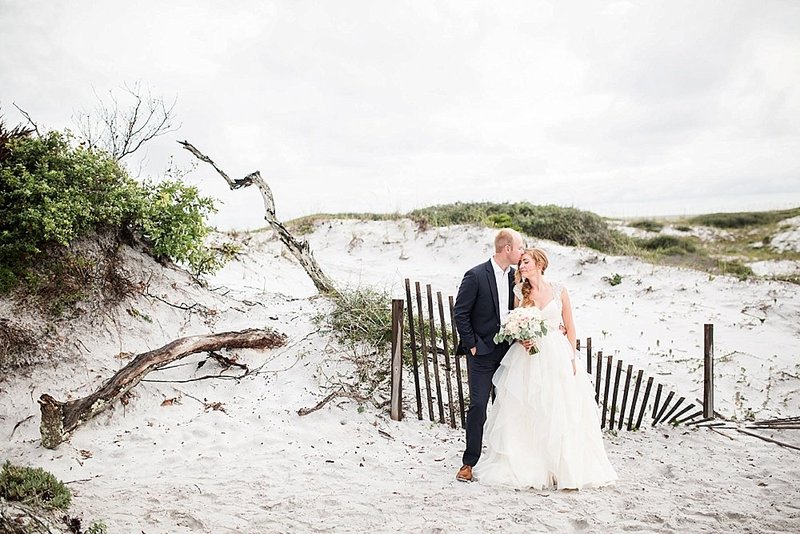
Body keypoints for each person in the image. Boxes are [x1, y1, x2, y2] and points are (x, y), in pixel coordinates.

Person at [472, 248, 618, 489]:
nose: (521, 268)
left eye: (526, 262)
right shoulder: (520, 291)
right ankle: (532, 465)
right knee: (526, 408)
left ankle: (561, 468)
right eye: (520, 264)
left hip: (557, 354)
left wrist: (572, 358)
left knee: (559, 408)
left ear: (539, 263)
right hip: (527, 356)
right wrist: (521, 339)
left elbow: (570, 328)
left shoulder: (559, 290)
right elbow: (516, 324)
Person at [453, 228, 525, 483]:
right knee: (478, 406)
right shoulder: (475, 276)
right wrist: (472, 345)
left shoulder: (517, 278)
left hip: (509, 352)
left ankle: (504, 459)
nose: (522, 252)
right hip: (481, 353)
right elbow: (460, 313)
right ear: (507, 249)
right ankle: (468, 462)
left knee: (507, 407)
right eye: (519, 248)